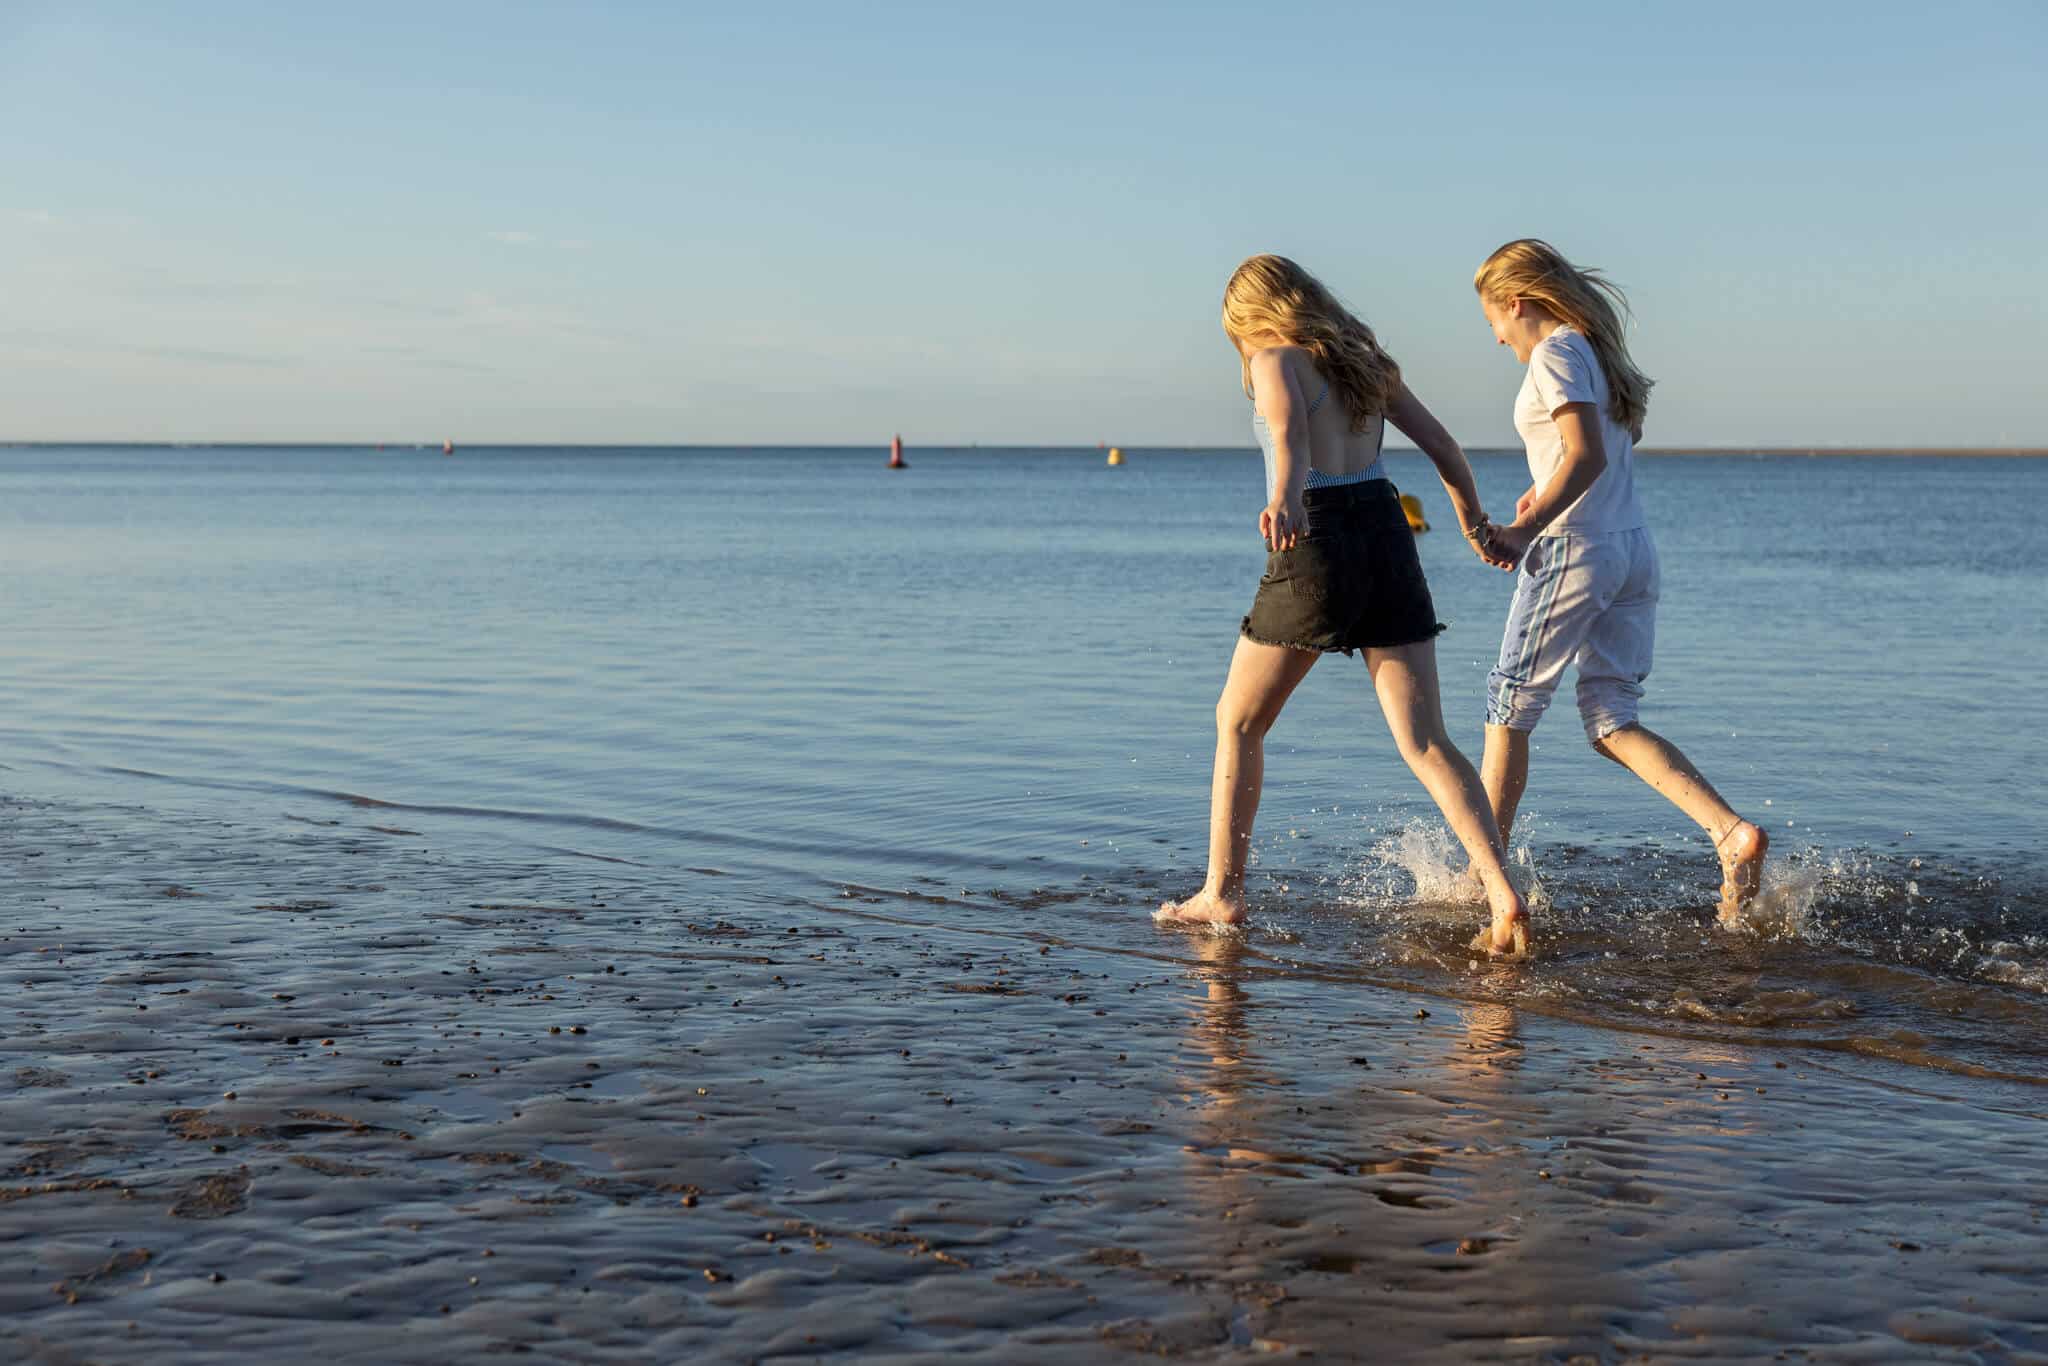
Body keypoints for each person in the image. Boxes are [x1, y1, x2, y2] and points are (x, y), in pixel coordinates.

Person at [1158, 254, 1529, 957]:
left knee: (1237, 721)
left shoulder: (1274, 359)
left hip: (1317, 536)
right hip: (1388, 536)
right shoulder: (1368, 362)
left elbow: (1293, 441)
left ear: (1249, 316)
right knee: (1426, 742)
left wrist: (1285, 497)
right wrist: (1475, 522)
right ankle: (1501, 892)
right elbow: (1446, 447)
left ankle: (1222, 894)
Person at [1467, 238, 1767, 921]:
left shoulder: (1555, 352)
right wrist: (1539, 493)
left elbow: (1587, 453)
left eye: (1493, 322)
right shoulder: (1595, 354)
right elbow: (1587, 456)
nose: (1497, 339)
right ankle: (1731, 833)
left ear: (1516, 302)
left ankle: (1488, 879)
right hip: (1629, 549)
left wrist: (1525, 527)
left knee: (1508, 707)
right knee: (1609, 718)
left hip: (1577, 551)